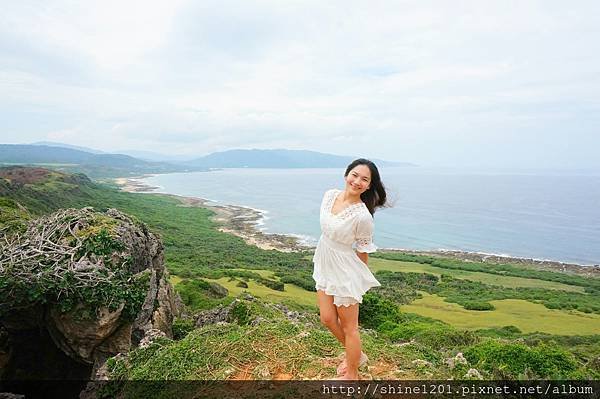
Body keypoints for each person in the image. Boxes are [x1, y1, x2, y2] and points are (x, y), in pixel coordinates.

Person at [312, 158, 388, 380]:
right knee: (326, 318)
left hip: (345, 270)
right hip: (325, 259)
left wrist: (357, 279)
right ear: (347, 174)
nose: (357, 181)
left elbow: (363, 251)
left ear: (369, 186)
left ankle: (352, 375)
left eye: (365, 179)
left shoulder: (363, 216)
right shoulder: (329, 195)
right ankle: (357, 355)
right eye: (355, 175)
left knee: (350, 328)